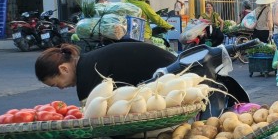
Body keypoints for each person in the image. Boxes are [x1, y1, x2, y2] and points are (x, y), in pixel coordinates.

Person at [36, 43, 175, 102]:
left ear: (63, 69)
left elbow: (92, 124)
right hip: (169, 66)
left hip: (170, 75)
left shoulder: (86, 78)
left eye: (56, 84)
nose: (61, 88)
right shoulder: (87, 62)